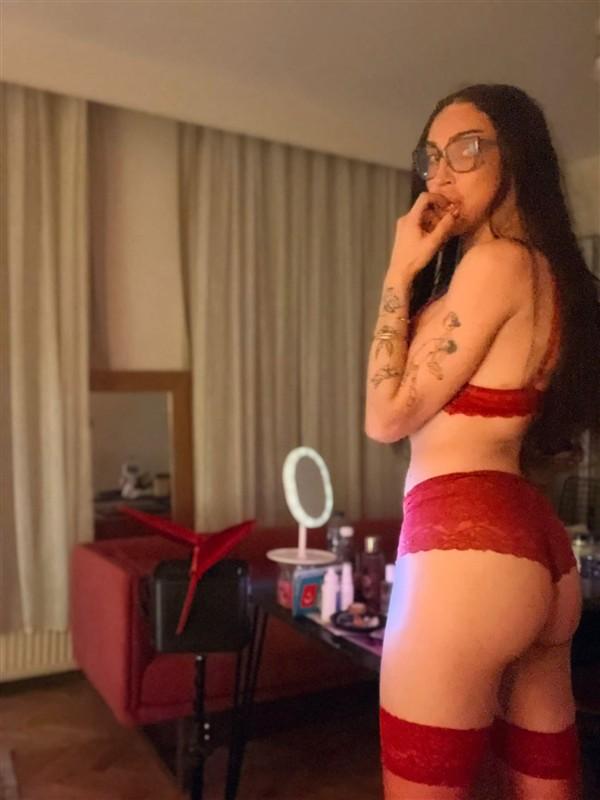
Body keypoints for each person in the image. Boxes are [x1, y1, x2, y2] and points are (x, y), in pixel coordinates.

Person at [364, 84, 600, 800]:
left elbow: (385, 416)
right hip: (537, 551)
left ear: (515, 155)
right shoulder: (550, 274)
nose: (440, 174)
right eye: (431, 156)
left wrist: (400, 268)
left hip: (467, 550)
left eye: (466, 150)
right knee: (545, 779)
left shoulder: (495, 263)